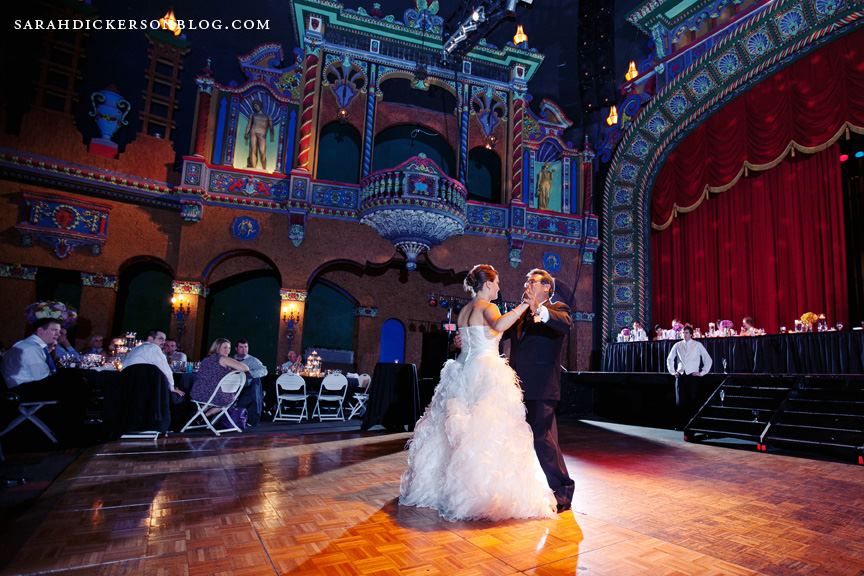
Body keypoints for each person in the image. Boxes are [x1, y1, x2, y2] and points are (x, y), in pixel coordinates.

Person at [400, 265, 556, 521]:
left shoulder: (464, 310)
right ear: (488, 284)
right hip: (485, 371)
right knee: (485, 431)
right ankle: (478, 494)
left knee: (458, 432)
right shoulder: (488, 307)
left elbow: (468, 339)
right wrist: (523, 306)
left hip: (462, 369)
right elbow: (499, 324)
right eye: (497, 283)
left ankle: (445, 489)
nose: (498, 288)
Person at [507, 268, 575, 513]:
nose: (527, 285)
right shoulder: (521, 313)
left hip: (542, 387)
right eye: (526, 282)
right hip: (516, 387)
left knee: (541, 438)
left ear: (547, 287)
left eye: (532, 282)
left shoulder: (557, 309)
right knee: (538, 438)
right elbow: (498, 331)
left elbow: (564, 324)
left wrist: (538, 308)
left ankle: (563, 489)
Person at [190, 338, 249, 417]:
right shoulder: (223, 359)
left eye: (229, 348)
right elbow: (245, 368)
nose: (227, 350)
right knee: (231, 398)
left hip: (197, 393)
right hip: (214, 395)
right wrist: (233, 370)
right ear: (217, 348)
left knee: (211, 401)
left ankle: (198, 416)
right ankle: (205, 416)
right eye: (225, 347)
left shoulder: (206, 359)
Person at [123, 330, 185, 399]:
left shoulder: (135, 349)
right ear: (150, 339)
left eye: (164, 340)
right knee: (179, 396)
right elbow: (166, 371)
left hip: (128, 387)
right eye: (161, 339)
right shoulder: (153, 347)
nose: (164, 342)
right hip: (147, 389)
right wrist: (172, 388)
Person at [233, 339, 268, 427]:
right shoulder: (231, 359)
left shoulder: (252, 360)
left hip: (246, 387)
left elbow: (264, 370)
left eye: (246, 347)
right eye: (241, 347)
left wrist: (248, 374)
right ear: (236, 348)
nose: (244, 349)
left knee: (256, 381)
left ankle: (252, 419)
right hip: (231, 386)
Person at [244, 100, 273, 170]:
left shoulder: (267, 116)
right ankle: (253, 168)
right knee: (253, 150)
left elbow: (271, 127)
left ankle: (264, 169)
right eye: (254, 106)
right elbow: (249, 125)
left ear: (260, 106)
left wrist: (272, 134)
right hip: (253, 132)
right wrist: (246, 133)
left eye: (257, 105)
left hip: (262, 134)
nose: (256, 107)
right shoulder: (253, 115)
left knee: (262, 152)